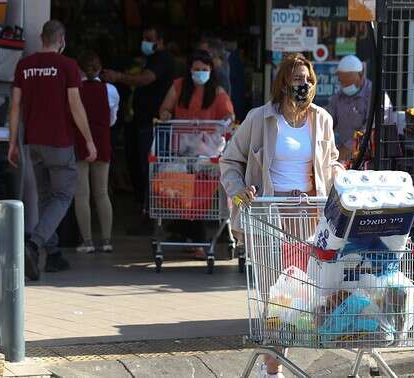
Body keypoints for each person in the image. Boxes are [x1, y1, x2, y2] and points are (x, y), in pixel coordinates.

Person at [219, 53, 343, 378]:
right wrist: (238, 193)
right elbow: (230, 161)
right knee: (275, 295)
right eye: (297, 79)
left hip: (310, 220)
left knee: (298, 297)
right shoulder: (259, 119)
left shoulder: (322, 119)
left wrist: (346, 182)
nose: (303, 85)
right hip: (269, 219)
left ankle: (271, 367)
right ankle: (272, 369)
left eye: (308, 79)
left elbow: (330, 164)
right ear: (283, 82)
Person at [8, 20, 97, 280]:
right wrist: (89, 140)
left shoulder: (24, 66)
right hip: (59, 142)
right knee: (63, 196)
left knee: (46, 196)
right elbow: (75, 105)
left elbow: (15, 106)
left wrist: (13, 142)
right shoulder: (68, 66)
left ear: (41, 37)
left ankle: (53, 254)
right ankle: (34, 245)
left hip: (33, 142)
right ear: (62, 40)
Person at [158, 48, 234, 258]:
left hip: (206, 154)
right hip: (182, 150)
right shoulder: (179, 86)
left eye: (204, 69)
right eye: (196, 69)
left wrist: (221, 124)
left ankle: (194, 237)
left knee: (199, 193)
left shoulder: (217, 92)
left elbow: (229, 116)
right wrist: (165, 114)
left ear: (210, 70)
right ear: (189, 70)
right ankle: (188, 235)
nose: (199, 73)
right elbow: (165, 109)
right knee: (181, 192)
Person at [101, 25, 175, 222]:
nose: (145, 42)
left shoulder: (162, 60)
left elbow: (146, 79)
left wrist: (118, 77)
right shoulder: (150, 59)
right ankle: (147, 210)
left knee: (152, 169)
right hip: (141, 121)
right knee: (142, 167)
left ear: (160, 41)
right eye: (144, 38)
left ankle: (154, 215)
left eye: (149, 38)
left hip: (153, 124)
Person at [73, 51, 120, 254]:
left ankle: (88, 241)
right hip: (102, 140)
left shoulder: (75, 90)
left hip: (80, 141)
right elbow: (112, 120)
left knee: (82, 194)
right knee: (102, 193)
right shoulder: (110, 90)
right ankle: (107, 240)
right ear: (100, 69)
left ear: (80, 69)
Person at [326, 54, 372, 162]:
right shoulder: (339, 97)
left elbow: (370, 129)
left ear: (360, 76)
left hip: (367, 157)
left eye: (348, 82)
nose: (344, 86)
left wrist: (348, 147)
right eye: (342, 82)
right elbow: (327, 121)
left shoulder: (374, 95)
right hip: (344, 157)